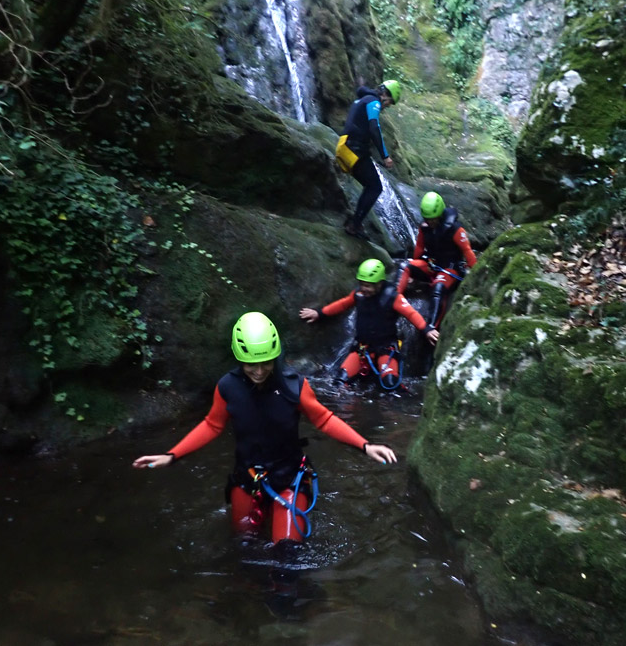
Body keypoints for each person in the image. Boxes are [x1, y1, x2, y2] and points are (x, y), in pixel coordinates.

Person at [132, 311, 397, 544]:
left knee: (287, 556)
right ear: (239, 358)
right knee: (243, 545)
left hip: (289, 478)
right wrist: (171, 455)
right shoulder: (227, 387)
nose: (259, 371)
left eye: (266, 363)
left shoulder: (295, 386)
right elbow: (212, 425)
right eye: (251, 364)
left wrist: (365, 445)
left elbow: (324, 419)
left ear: (275, 355)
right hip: (247, 477)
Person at [299, 258, 439, 390]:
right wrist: (319, 313)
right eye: (361, 284)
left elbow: (411, 314)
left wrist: (426, 329)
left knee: (390, 384)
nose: (363, 289)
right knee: (339, 383)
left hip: (385, 348)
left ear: (379, 284)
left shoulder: (392, 296)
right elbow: (342, 304)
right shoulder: (359, 294)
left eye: (368, 286)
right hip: (362, 349)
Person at [397, 192, 477, 328]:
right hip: (431, 265)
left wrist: (475, 275)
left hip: (450, 268)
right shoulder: (425, 228)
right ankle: (393, 296)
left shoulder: (455, 229)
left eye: (433, 219)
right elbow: (420, 247)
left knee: (438, 289)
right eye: (427, 219)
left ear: (440, 215)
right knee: (405, 266)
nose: (430, 222)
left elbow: (467, 251)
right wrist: (414, 271)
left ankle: (432, 327)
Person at [335, 80, 402, 240]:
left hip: (345, 147)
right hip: (354, 150)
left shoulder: (363, 99)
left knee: (370, 185)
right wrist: (385, 156)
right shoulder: (373, 101)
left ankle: (354, 221)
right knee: (375, 187)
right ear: (385, 94)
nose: (388, 106)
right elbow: (374, 127)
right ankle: (354, 225)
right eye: (390, 102)